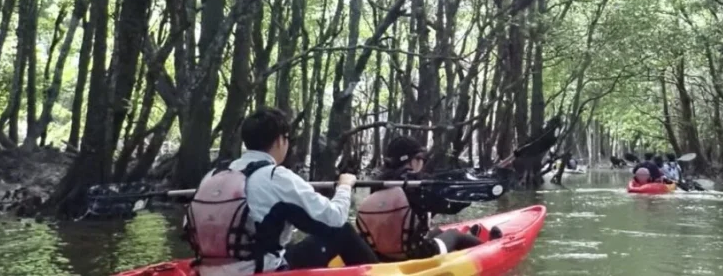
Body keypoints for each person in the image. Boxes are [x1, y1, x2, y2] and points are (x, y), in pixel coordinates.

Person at [184, 107, 378, 274]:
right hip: (261, 272)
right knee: (342, 231)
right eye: (287, 138)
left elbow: (188, 227)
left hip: (209, 271)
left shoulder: (212, 176)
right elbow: (334, 219)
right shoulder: (275, 176)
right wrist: (344, 186)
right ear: (279, 141)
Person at [356, 136, 500, 261]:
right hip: (414, 254)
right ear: (411, 161)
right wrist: (467, 196)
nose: (422, 163)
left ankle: (472, 240)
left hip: (382, 254)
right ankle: (492, 249)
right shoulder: (416, 186)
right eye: (420, 158)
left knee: (437, 232)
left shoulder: (378, 185)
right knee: (455, 235)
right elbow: (450, 207)